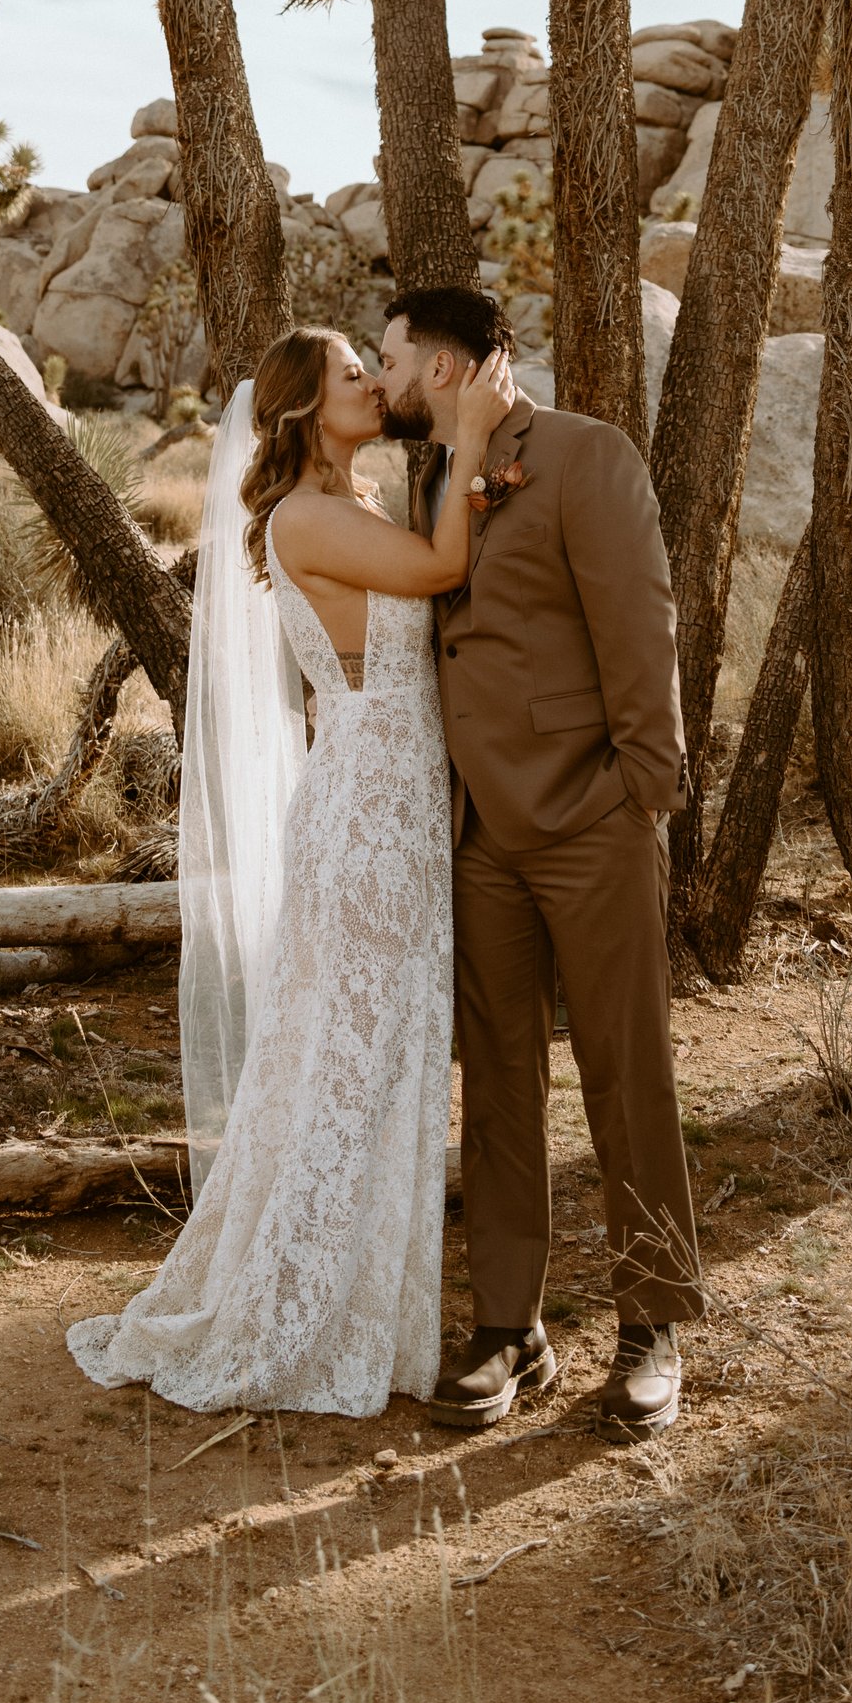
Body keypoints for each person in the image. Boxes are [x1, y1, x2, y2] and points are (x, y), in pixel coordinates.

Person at [66, 322, 516, 1417]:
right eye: (354, 373)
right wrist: (468, 431)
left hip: (400, 800)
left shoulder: (354, 502)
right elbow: (444, 566)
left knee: (381, 1051)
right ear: (309, 407)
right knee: (344, 1057)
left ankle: (356, 1293)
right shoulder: (306, 514)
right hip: (367, 809)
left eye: (375, 365)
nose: (374, 381)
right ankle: (292, 1305)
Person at [377, 285, 700, 1441]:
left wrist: (637, 795)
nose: (381, 382)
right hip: (476, 835)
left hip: (589, 819)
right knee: (498, 1080)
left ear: (450, 367)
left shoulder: (584, 454)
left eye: (393, 359)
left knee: (628, 1070)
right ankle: (508, 1324)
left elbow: (641, 622)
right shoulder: (427, 473)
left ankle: (654, 1322)